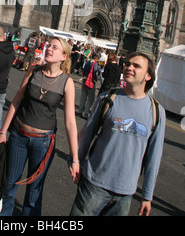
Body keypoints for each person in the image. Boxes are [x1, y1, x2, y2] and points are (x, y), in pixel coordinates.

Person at [70, 52, 165, 217]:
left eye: (136, 66)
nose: (129, 67)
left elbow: (154, 157)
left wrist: (147, 196)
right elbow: (87, 134)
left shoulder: (156, 111)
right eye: (128, 64)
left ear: (148, 76)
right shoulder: (107, 98)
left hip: (125, 192)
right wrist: (75, 161)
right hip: (94, 184)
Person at [0, 37, 80, 216]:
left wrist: (75, 158)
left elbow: (71, 122)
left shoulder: (67, 82)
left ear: (63, 56)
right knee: (9, 184)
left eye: (54, 48)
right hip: (18, 136)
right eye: (49, 45)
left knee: (34, 192)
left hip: (43, 143)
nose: (49, 49)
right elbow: (16, 100)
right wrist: (3, 131)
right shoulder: (33, 71)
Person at [79, 53, 100, 118]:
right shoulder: (95, 64)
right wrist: (96, 78)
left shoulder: (87, 62)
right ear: (96, 58)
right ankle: (86, 112)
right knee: (91, 98)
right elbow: (95, 73)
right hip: (90, 81)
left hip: (85, 80)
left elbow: (84, 70)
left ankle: (80, 110)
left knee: (83, 96)